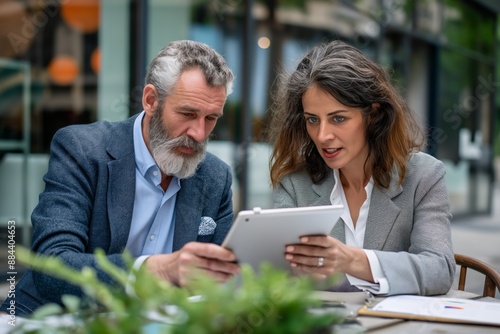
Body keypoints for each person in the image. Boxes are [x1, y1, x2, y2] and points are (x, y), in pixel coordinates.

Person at [1, 40, 240, 316]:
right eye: (187, 114)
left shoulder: (215, 176)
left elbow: (223, 280)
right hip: (57, 318)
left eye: (211, 118)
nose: (199, 133)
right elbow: (53, 266)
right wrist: (155, 270)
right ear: (151, 100)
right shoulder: (82, 149)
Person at [267, 40, 455, 296]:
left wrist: (352, 260)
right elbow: (275, 273)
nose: (322, 135)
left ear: (373, 114)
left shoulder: (424, 176)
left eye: (338, 118)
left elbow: (439, 270)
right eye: (313, 120)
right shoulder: (293, 183)